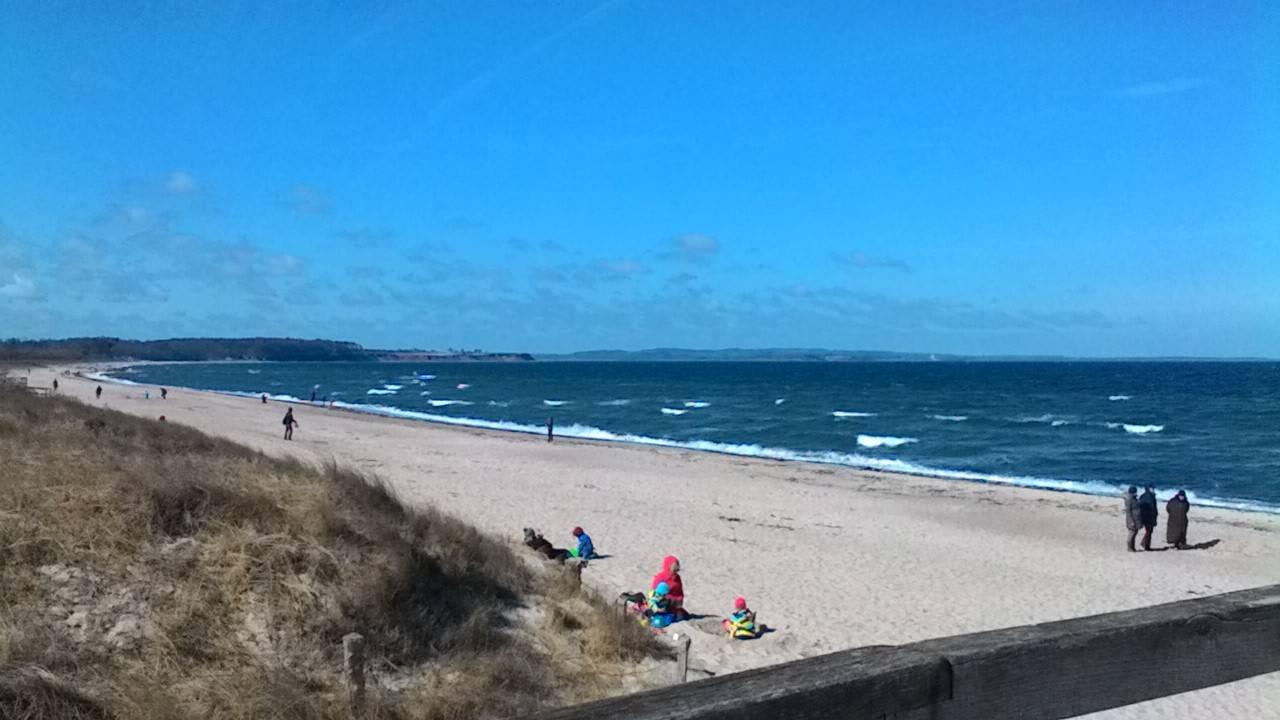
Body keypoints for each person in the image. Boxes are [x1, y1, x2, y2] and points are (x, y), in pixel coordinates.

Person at [1138, 486, 1159, 551]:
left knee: (1149, 531)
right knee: (1149, 531)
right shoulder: (1150, 497)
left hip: (1145, 516)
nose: (1153, 489)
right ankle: (1145, 545)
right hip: (1149, 516)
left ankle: (1145, 544)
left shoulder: (1143, 496)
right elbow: (1152, 508)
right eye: (1152, 488)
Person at [1123, 486, 1141, 552]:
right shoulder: (1129, 500)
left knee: (1135, 533)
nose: (1136, 493)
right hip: (1132, 520)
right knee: (1132, 533)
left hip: (1136, 519)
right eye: (1135, 492)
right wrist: (1131, 521)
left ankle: (1132, 547)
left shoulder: (1134, 499)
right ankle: (1129, 548)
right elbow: (1128, 512)